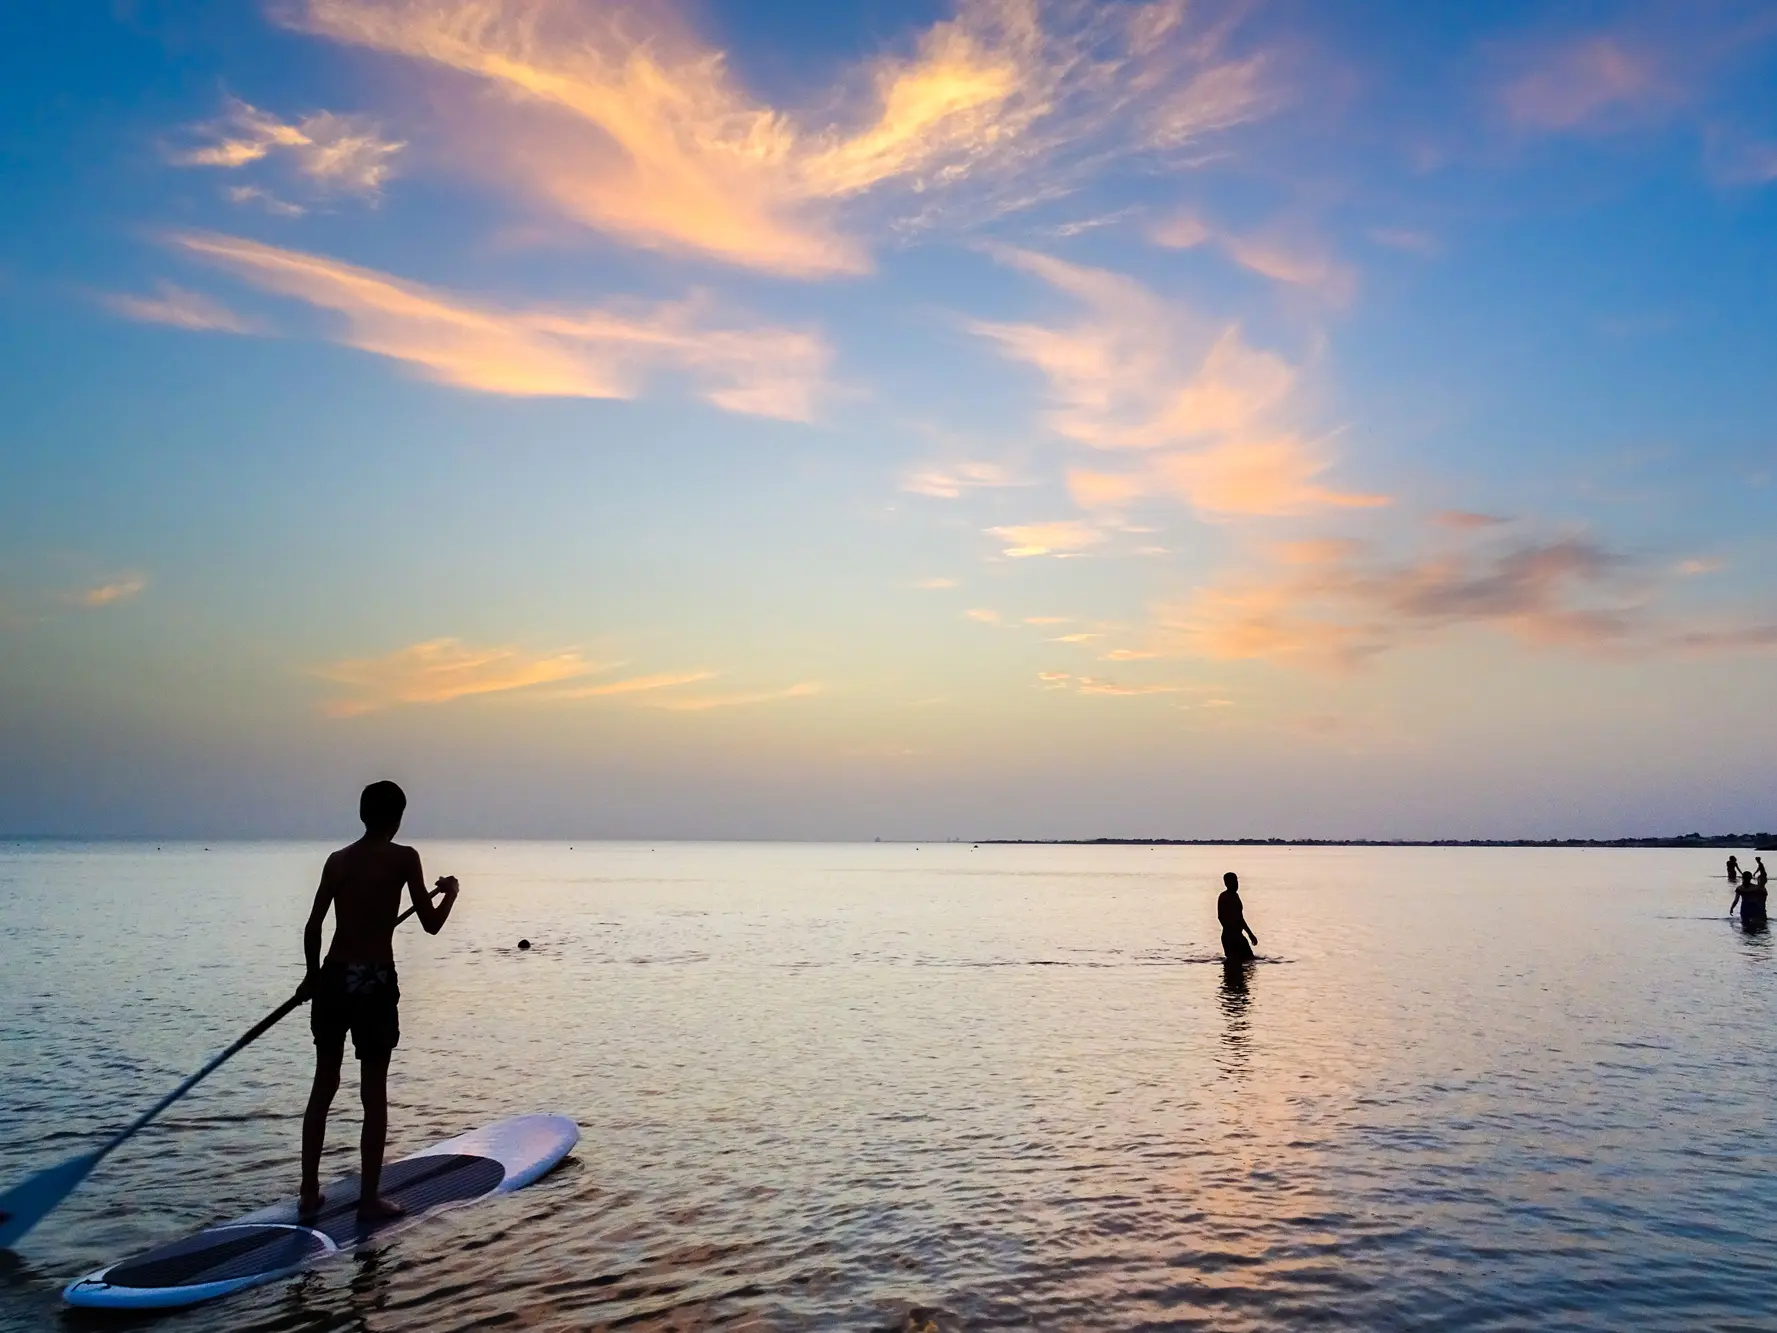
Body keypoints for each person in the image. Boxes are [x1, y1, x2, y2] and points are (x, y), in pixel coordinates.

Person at [297, 781, 459, 1219]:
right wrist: (451, 895)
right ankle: (368, 1200)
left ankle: (309, 1194)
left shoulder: (337, 862)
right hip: (374, 982)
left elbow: (314, 927)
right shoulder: (404, 859)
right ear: (397, 817)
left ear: (363, 815)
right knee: (373, 1093)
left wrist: (311, 976)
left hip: (333, 979)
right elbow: (430, 925)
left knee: (323, 1087)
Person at [1217, 871, 1258, 963]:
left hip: (1238, 935)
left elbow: (1240, 918)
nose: (1236, 884)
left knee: (1249, 961)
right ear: (1226, 883)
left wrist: (1250, 934)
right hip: (1229, 936)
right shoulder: (1224, 897)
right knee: (1233, 964)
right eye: (1233, 882)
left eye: (1237, 882)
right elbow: (1221, 917)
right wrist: (1230, 930)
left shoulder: (1235, 896)